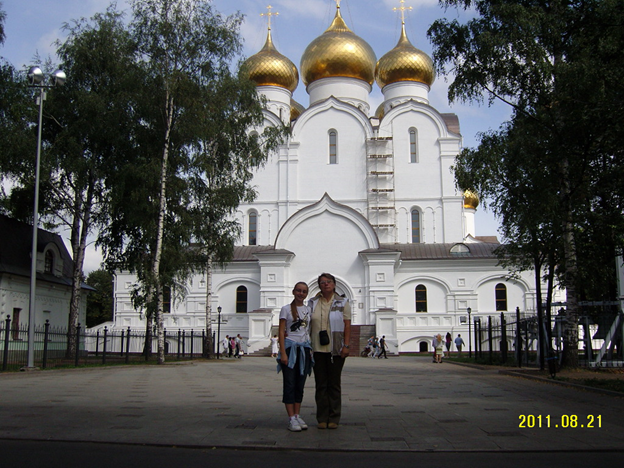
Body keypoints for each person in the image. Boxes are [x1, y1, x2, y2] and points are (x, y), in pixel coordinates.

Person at [308, 273, 351, 429]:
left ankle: (334, 417)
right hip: (317, 349)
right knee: (320, 384)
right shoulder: (312, 303)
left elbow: (347, 325)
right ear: (319, 285)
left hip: (336, 349)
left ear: (334, 284)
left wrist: (346, 345)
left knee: (334, 384)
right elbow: (306, 323)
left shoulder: (342, 302)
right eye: (322, 282)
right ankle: (322, 418)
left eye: (328, 282)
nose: (325, 284)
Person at [277, 281, 313, 432]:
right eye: (298, 290)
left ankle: (297, 415)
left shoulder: (308, 309)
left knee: (300, 384)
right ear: (293, 292)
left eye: (304, 291)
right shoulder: (285, 309)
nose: (301, 293)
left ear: (306, 294)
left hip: (304, 350)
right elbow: (280, 331)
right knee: (290, 384)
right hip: (290, 349)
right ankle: (291, 418)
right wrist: (283, 353)